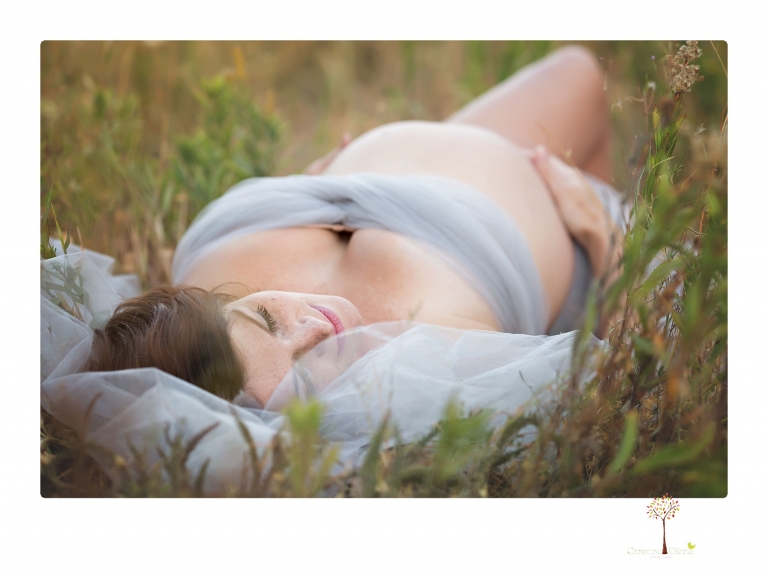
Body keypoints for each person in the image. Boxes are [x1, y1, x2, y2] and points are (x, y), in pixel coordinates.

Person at [86, 44, 627, 410]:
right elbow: (620, 389)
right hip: (565, 214)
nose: (315, 327)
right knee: (585, 76)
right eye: (304, 370)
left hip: (420, 157)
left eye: (269, 319)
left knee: (579, 65)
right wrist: (609, 248)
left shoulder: (202, 281)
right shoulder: (436, 367)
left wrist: (314, 187)